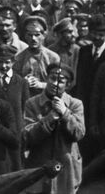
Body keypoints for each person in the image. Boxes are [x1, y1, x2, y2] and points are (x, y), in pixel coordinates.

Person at [24, 63, 85, 194]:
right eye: (52, 78)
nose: (55, 83)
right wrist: (49, 118)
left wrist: (65, 113)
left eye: (61, 81)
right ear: (46, 79)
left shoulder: (75, 104)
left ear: (68, 85)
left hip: (66, 166)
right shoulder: (32, 103)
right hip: (39, 164)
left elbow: (79, 133)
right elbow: (27, 137)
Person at [0, 43, 29, 170]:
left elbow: (26, 108)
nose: (4, 66)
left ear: (13, 62)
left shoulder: (21, 82)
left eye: (7, 62)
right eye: (0, 62)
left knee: (16, 165)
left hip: (16, 132)